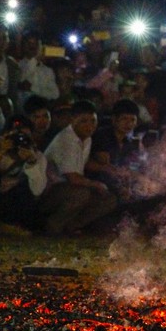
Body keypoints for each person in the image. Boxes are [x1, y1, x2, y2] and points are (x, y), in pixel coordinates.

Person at [40, 99, 117, 234]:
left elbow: (84, 161)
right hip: (47, 192)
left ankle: (71, 226)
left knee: (109, 199)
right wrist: (96, 184)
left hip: (66, 189)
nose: (89, 126)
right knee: (82, 194)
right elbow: (73, 178)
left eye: (93, 121)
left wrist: (107, 168)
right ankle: (52, 226)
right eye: (84, 121)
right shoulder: (66, 140)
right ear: (72, 120)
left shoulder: (86, 138)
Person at [0, 114, 48, 235]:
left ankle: (6, 224)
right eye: (15, 137)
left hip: (14, 201)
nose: (19, 141)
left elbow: (37, 191)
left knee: (25, 190)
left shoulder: (37, 156)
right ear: (4, 135)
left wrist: (31, 162)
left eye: (24, 137)